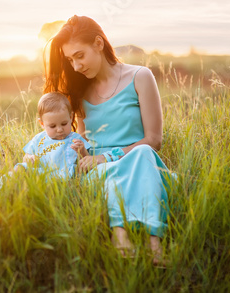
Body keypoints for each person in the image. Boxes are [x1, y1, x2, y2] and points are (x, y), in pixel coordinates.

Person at [43, 15, 173, 266]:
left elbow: (154, 140)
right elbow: (78, 141)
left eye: (79, 55)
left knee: (143, 153)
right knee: (111, 172)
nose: (76, 66)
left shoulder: (140, 77)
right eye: (70, 60)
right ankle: (122, 235)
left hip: (141, 165)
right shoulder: (79, 92)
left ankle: (153, 243)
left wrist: (108, 156)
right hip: (98, 171)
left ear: (99, 44)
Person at [9, 92, 92, 180]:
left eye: (64, 124)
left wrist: (82, 151)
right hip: (42, 174)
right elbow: (26, 157)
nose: (59, 129)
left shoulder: (76, 139)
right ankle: (7, 182)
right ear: (42, 124)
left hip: (67, 175)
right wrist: (29, 158)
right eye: (53, 126)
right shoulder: (39, 139)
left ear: (71, 117)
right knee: (21, 168)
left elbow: (88, 161)